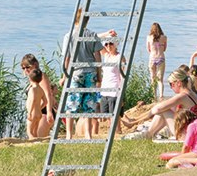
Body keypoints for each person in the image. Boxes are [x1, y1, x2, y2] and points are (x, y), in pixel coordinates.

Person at [133, 68, 197, 141]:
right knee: (164, 110)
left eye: (171, 84)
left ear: (178, 83)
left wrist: (138, 120)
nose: (171, 87)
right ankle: (149, 134)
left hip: (188, 136)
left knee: (163, 111)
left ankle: (148, 135)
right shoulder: (191, 93)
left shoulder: (182, 96)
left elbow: (157, 109)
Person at [62, 9, 100, 139]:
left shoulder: (69, 36)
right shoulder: (92, 34)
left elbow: (66, 58)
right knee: (89, 104)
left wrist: (64, 76)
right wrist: (99, 74)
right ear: (87, 20)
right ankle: (88, 134)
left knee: (71, 103)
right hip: (90, 71)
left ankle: (68, 134)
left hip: (75, 72)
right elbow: (97, 56)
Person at [21, 54, 56, 139]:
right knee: (35, 137)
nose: (26, 70)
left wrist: (49, 112)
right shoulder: (33, 80)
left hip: (45, 112)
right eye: (23, 68)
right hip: (38, 112)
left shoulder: (41, 77)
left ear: (35, 65)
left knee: (40, 137)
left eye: (27, 67)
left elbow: (48, 94)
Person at [98, 32, 126, 125]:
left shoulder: (120, 57)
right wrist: (107, 33)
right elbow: (95, 39)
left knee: (115, 116)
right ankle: (113, 134)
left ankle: (118, 132)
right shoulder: (106, 55)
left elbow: (123, 76)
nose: (108, 46)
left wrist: (121, 93)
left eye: (111, 43)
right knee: (108, 117)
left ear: (115, 44)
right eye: (106, 44)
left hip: (114, 90)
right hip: (105, 90)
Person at [147, 22, 168, 99]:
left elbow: (148, 49)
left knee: (153, 78)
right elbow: (165, 49)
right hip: (161, 58)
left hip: (152, 58)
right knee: (160, 79)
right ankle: (161, 96)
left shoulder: (149, 37)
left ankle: (154, 96)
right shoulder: (164, 37)